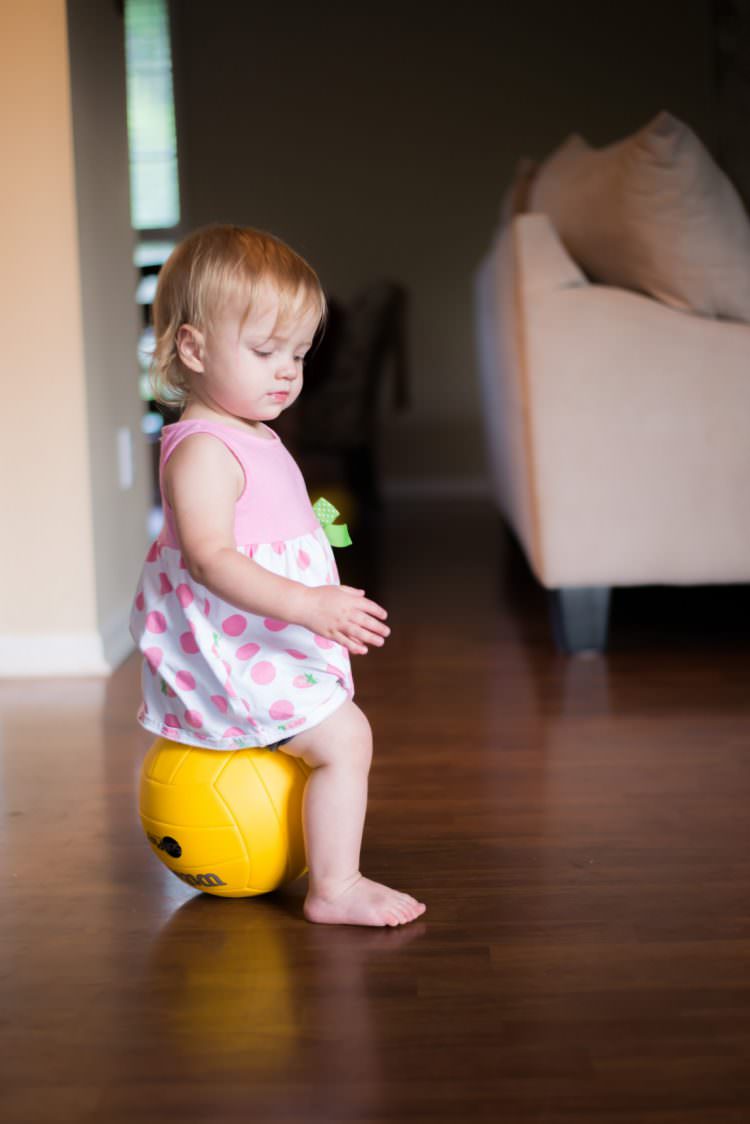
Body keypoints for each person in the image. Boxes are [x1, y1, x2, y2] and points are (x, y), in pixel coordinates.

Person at [130, 225, 426, 928]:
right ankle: (336, 885)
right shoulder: (200, 451)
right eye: (265, 351)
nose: (288, 370)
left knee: (339, 734)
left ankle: (326, 863)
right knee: (345, 739)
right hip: (230, 650)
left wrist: (327, 530)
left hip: (265, 630)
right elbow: (211, 557)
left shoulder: (253, 431)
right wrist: (305, 600)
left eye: (297, 352)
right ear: (194, 348)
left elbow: (280, 514)